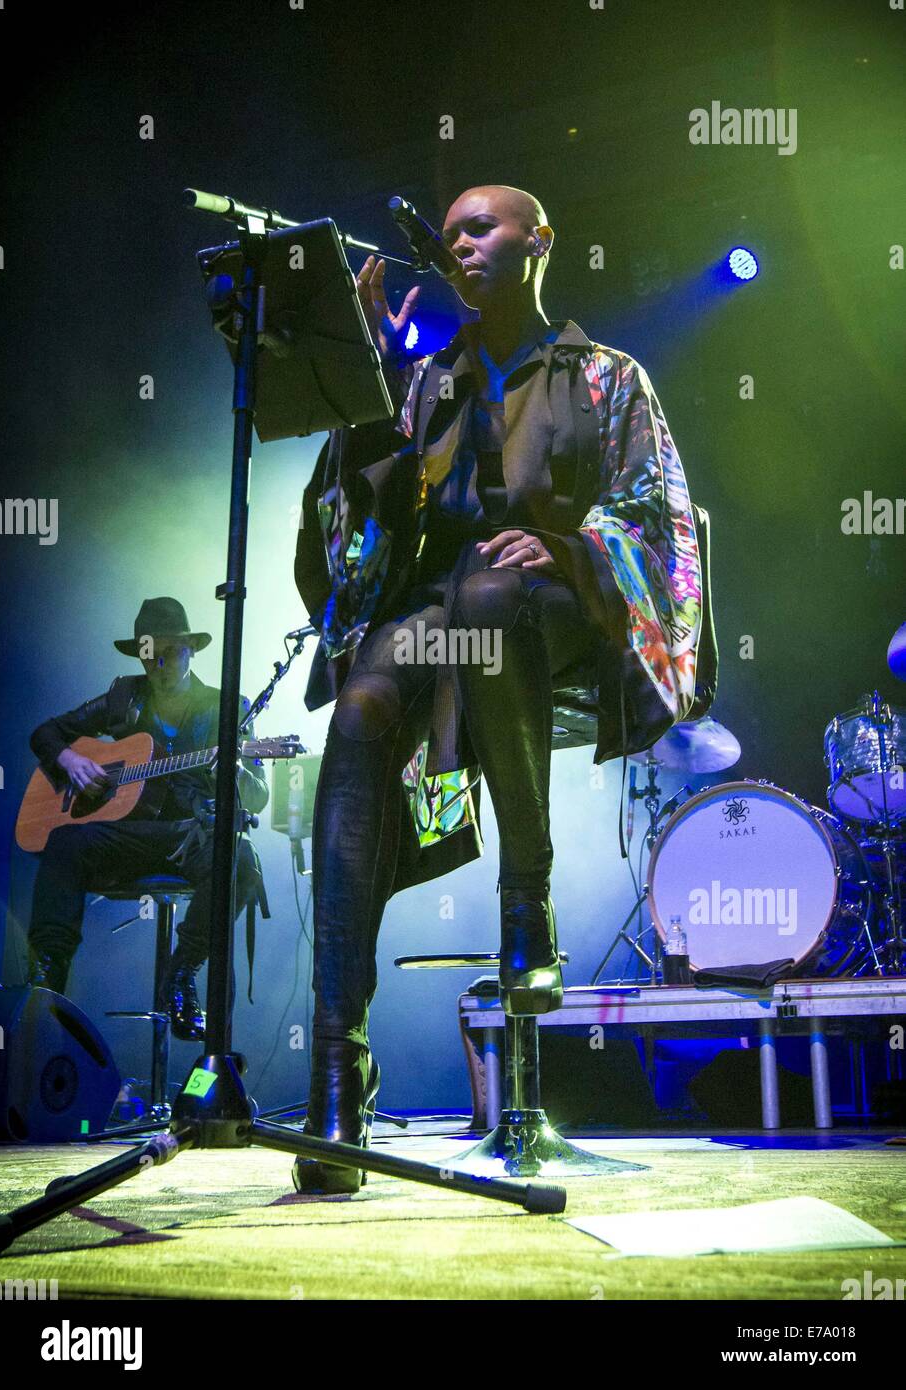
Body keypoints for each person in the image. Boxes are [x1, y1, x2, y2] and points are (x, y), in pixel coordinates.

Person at [293, 184, 716, 1193]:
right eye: (452, 237)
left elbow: (661, 517)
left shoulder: (607, 375)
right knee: (357, 707)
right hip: (450, 618)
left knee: (490, 593)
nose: (463, 245)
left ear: (540, 241)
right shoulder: (426, 378)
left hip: (560, 606)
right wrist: (373, 381)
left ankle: (528, 905)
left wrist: (567, 548)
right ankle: (336, 1058)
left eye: (482, 227)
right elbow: (349, 537)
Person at [25, 596, 268, 1039]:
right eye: (150, 652)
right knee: (63, 841)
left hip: (190, 837)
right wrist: (69, 760)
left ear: (191, 650)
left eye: (172, 650)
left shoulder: (227, 705)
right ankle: (47, 974)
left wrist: (232, 767)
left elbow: (259, 796)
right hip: (130, 837)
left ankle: (181, 972)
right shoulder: (123, 697)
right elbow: (44, 733)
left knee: (238, 856)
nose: (160, 662)